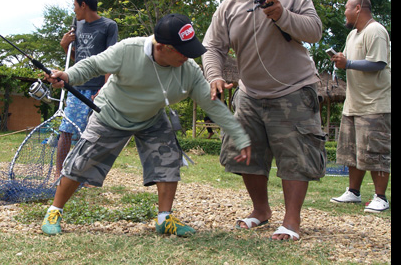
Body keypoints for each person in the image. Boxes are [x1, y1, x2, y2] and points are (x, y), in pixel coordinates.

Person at [41, 13, 252, 237]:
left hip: (151, 117)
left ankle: (164, 219)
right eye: (182, 50)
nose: (188, 57)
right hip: (111, 114)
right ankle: (54, 211)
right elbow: (93, 65)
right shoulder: (128, 50)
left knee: (168, 159)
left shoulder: (189, 70)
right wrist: (67, 75)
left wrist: (240, 137)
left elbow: (214, 107)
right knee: (80, 163)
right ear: (161, 47)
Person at [202, 0, 325, 242]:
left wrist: (283, 15)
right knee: (243, 154)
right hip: (250, 94)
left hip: (294, 90)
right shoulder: (228, 7)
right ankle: (261, 210)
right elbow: (212, 48)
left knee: (295, 156)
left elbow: (315, 31)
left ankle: (291, 221)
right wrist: (214, 76)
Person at [330, 0, 391, 212]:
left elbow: (378, 63)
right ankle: (353, 192)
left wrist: (349, 63)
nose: (344, 12)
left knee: (376, 152)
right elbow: (349, 63)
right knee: (352, 152)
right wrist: (340, 62)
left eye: (346, 8)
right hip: (354, 104)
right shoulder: (352, 35)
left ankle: (381, 197)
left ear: (357, 8)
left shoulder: (376, 31)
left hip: (375, 104)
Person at [56, 0, 118, 178]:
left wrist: (104, 89)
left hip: (97, 89)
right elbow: (75, 60)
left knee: (95, 136)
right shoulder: (77, 27)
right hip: (76, 88)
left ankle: (89, 177)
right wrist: (64, 45)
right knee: (66, 131)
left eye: (75, 6)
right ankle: (59, 173)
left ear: (84, 5)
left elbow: (111, 59)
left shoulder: (109, 26)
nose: (74, 10)